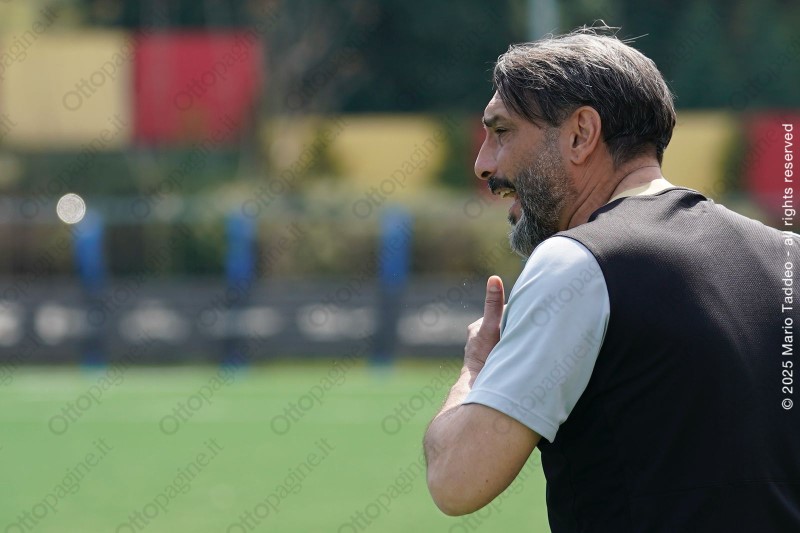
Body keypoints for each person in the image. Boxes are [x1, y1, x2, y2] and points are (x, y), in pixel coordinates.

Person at [423, 26, 800, 532]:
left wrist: (475, 367)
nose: (483, 163)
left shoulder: (576, 262)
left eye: (503, 131)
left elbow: (456, 480)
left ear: (581, 134)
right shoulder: (788, 256)